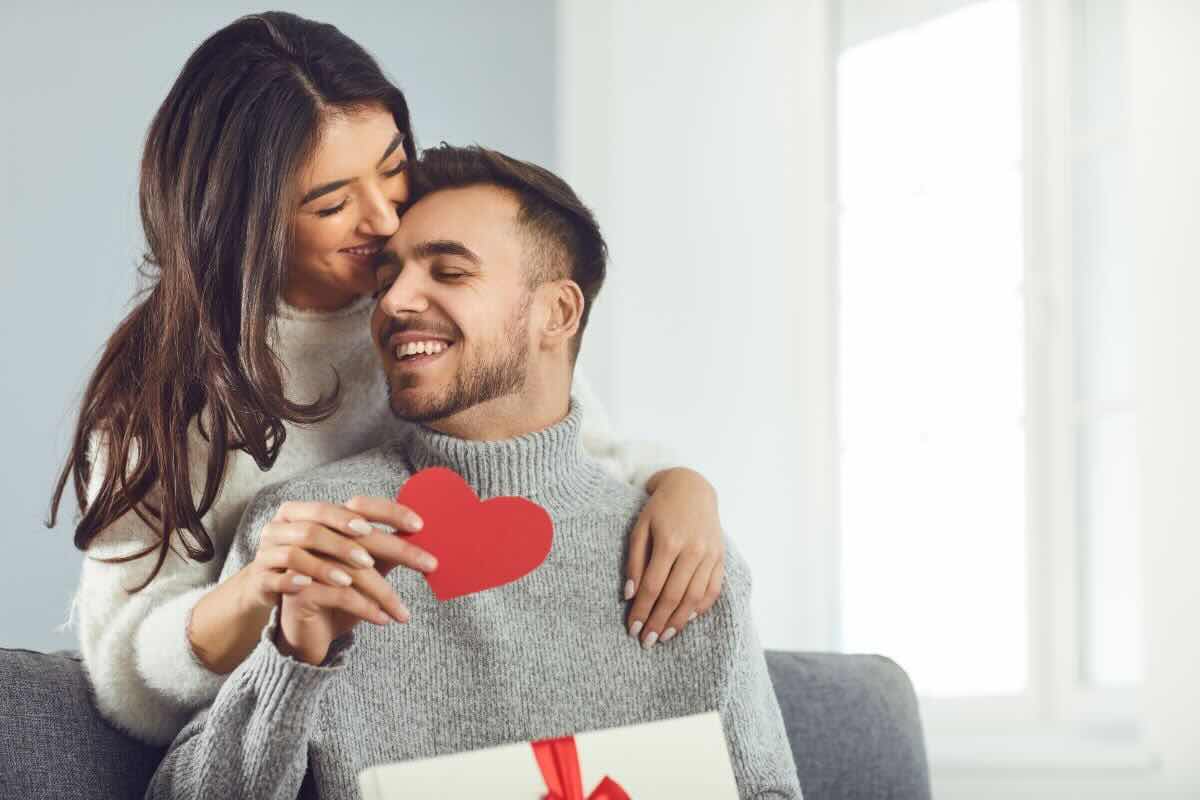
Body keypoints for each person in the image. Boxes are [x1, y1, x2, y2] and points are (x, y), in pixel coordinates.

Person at [50, 12, 727, 748]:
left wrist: (680, 484)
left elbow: (569, 458)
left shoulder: (450, 313)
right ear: (245, 218)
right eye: (331, 203)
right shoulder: (168, 391)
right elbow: (122, 674)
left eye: (394, 162)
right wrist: (256, 593)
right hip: (294, 728)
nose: (384, 215)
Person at [148, 144, 802, 800]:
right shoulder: (313, 533)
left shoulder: (683, 555)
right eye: (387, 279)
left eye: (450, 272)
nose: (395, 301)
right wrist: (294, 656)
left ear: (559, 314)